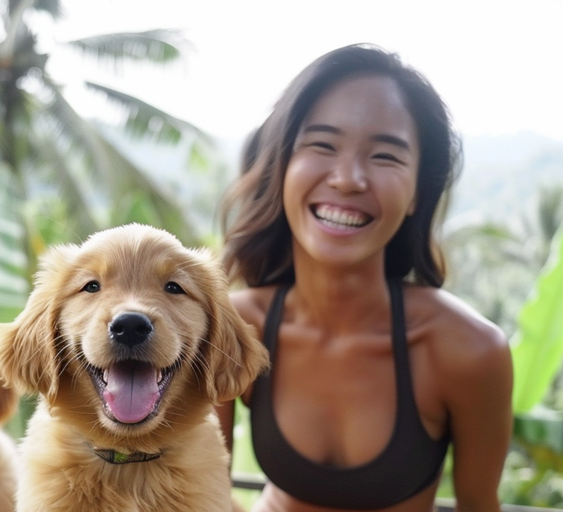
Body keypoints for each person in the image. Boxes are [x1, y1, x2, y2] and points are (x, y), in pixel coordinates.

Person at [217, 44, 513, 512]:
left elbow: (479, 504)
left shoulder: (468, 350)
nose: (349, 178)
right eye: (322, 145)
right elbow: (202, 494)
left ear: (417, 192)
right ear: (282, 169)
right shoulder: (233, 328)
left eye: (385, 156)